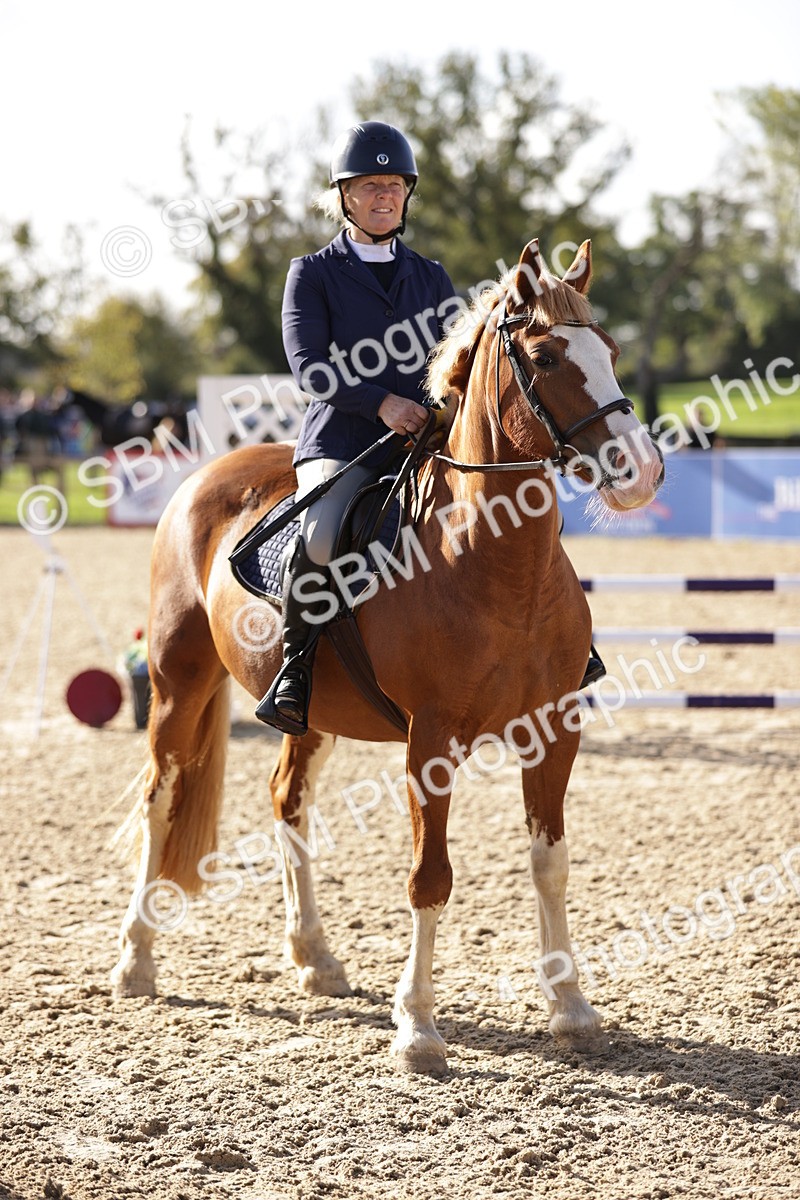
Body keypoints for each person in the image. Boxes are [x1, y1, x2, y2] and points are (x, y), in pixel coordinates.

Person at [255, 121, 458, 735]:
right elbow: (309, 368)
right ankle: (295, 669)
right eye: (370, 185)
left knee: (518, 508)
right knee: (320, 537)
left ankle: (567, 648)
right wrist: (381, 405)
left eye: (394, 184)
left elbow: (459, 359)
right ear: (344, 195)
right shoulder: (311, 273)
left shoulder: (432, 275)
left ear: (407, 194)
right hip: (343, 442)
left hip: (427, 441)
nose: (384, 196)